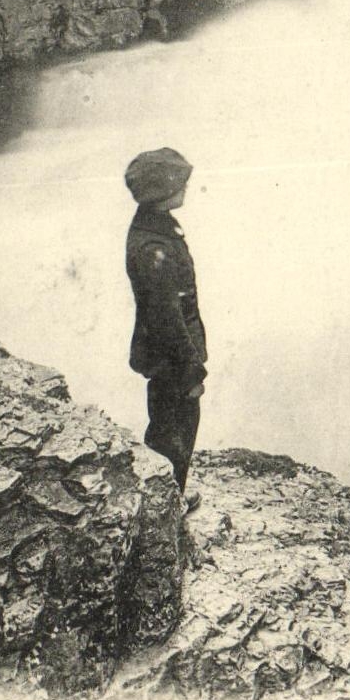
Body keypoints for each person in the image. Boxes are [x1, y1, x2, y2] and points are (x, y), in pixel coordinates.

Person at [124, 147, 206, 509]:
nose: (185, 188)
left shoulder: (153, 226)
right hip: (171, 357)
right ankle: (165, 506)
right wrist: (192, 369)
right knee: (174, 429)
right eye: (179, 183)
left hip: (167, 354)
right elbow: (167, 319)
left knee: (171, 426)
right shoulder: (153, 247)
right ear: (162, 193)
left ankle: (171, 496)